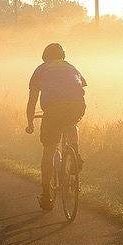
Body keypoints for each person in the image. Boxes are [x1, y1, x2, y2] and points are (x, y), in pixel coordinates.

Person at [25, 43, 87, 210]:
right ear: (62, 56)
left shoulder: (41, 70)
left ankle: (46, 195)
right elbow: (80, 88)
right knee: (71, 123)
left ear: (45, 57)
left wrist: (30, 122)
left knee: (49, 150)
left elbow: (32, 100)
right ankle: (75, 153)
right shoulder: (72, 67)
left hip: (52, 109)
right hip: (77, 106)